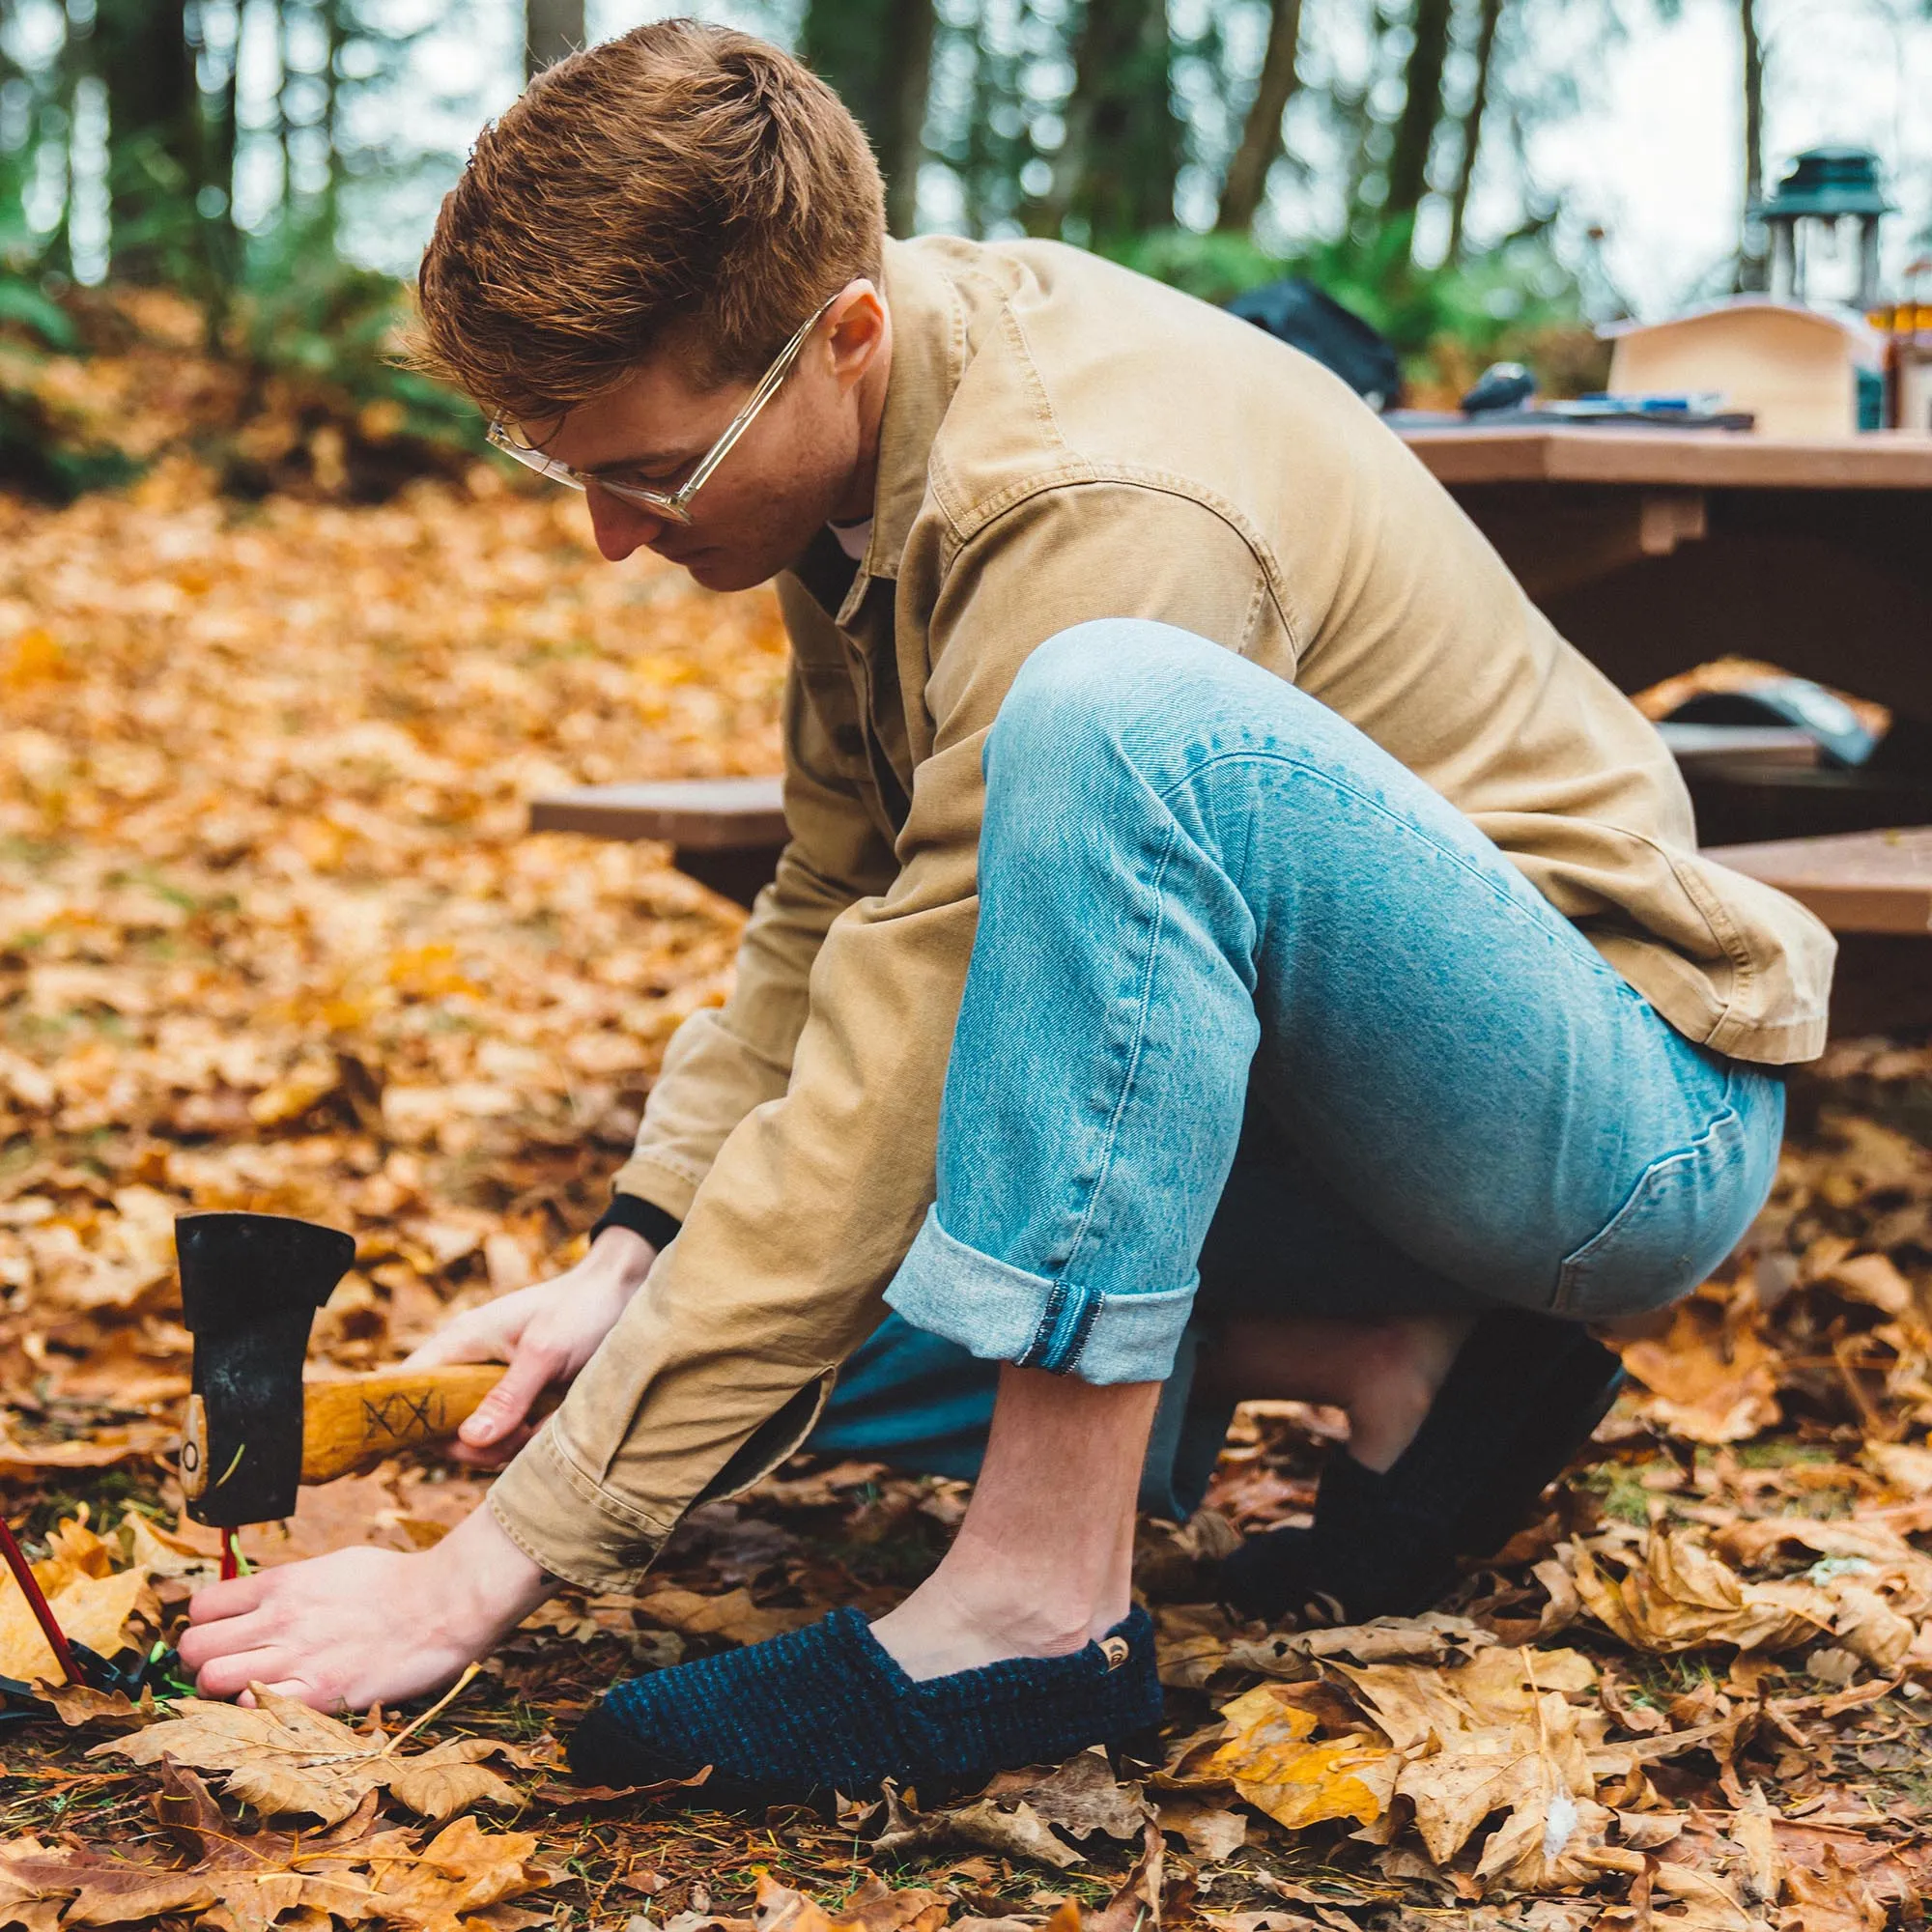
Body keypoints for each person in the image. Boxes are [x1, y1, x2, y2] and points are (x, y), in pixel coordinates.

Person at [178, 19, 1833, 1804]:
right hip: (1359, 1154)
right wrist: (632, 1254)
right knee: (801, 1279)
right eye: (558, 462)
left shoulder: (1084, 500)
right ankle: (1397, 1363)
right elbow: (837, 903)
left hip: (1614, 1120)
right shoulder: (857, 442)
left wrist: (490, 1569)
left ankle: (1043, 1602)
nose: (610, 536)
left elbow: (899, 1055)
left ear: (843, 339)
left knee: (1104, 722)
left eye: (650, 473)